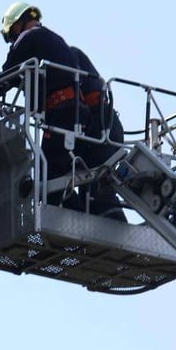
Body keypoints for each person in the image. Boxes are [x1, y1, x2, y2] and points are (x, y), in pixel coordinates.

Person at [0, 2, 90, 205]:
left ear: (17, 25)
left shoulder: (29, 37)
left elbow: (8, 74)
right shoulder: (53, 39)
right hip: (76, 115)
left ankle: (38, 236)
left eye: (12, 35)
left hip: (61, 115)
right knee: (55, 177)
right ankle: (76, 213)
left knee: (44, 181)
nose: (13, 40)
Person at [71, 46, 126, 221]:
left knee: (96, 185)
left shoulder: (67, 59)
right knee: (93, 188)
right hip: (107, 128)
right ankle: (110, 218)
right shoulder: (74, 56)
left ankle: (112, 221)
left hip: (100, 129)